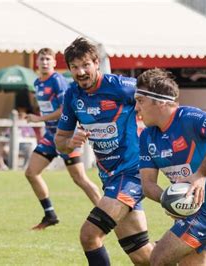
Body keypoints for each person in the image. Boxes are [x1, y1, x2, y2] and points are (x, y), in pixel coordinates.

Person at [55, 37, 153, 265]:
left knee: (89, 235)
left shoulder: (121, 87)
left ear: (96, 63)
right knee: (142, 256)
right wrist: (70, 143)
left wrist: (147, 118)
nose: (80, 72)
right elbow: (60, 140)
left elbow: (160, 99)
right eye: (74, 67)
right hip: (109, 178)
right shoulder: (72, 96)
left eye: (85, 65)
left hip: (133, 173)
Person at [135, 68, 206, 265]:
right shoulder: (147, 136)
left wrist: (200, 174)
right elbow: (148, 185)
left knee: (158, 258)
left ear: (161, 101)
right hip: (191, 210)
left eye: (140, 101)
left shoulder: (187, 118)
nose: (136, 108)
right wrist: (169, 200)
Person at [25, 47, 101, 230]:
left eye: (47, 59)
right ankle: (50, 214)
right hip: (51, 136)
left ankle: (107, 213)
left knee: (80, 179)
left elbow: (64, 110)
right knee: (31, 173)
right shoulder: (37, 83)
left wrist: (39, 118)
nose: (44, 62)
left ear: (54, 63)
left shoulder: (58, 81)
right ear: (37, 62)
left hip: (67, 135)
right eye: (41, 59)